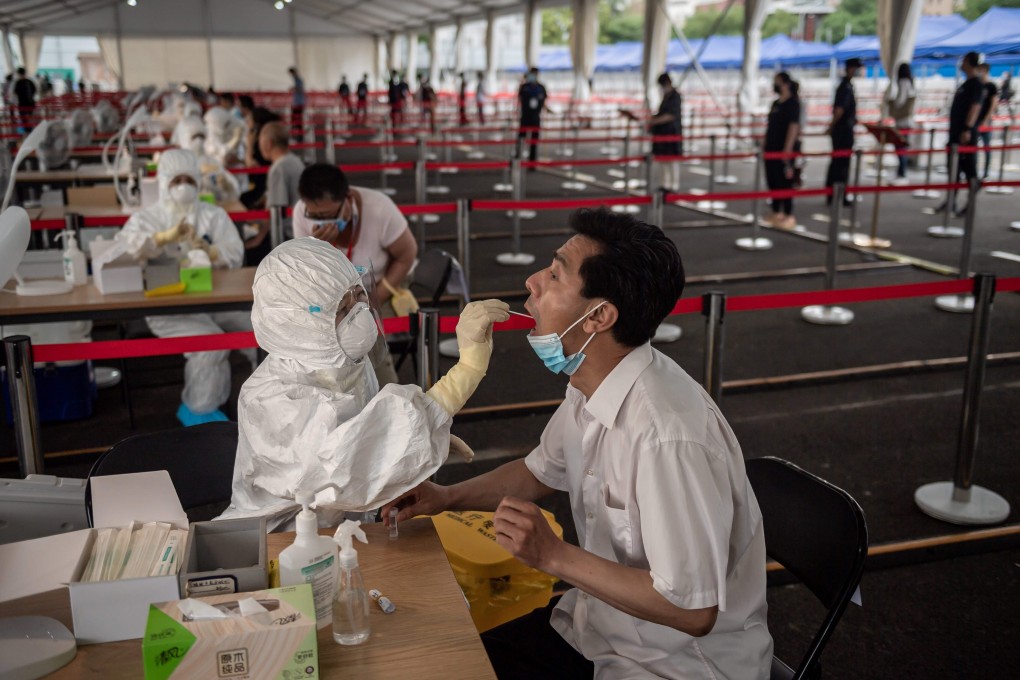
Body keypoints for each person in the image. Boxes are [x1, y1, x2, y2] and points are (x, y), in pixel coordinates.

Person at [383, 207, 772, 679]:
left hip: (670, 665)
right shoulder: (592, 382)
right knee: (448, 664)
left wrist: (552, 555)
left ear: (598, 316)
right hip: (593, 627)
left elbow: (692, 611)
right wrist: (445, 498)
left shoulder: (667, 436)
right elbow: (539, 470)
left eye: (554, 274)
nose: (532, 281)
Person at [217, 238, 509, 531]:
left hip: (345, 527)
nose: (359, 313)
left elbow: (368, 434)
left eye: (358, 295)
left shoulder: (343, 361)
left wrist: (417, 439)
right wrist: (466, 372)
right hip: (281, 539)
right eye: (342, 310)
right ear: (299, 325)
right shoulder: (273, 399)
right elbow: (343, 470)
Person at [114, 149, 250, 427]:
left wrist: (211, 252)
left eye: (189, 179)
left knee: (261, 328)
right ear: (164, 183)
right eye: (177, 181)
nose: (184, 186)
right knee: (210, 344)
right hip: (168, 308)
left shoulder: (213, 216)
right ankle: (198, 412)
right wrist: (162, 238)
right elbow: (125, 249)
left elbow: (235, 252)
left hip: (217, 302)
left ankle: (263, 401)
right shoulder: (147, 219)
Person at [292, 164, 417, 386]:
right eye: (316, 216)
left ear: (348, 200)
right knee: (316, 337)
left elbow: (407, 255)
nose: (322, 221)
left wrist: (375, 298)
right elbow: (308, 272)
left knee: (365, 337)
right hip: (334, 291)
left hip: (381, 285)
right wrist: (321, 250)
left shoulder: (379, 208)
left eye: (329, 215)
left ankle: (385, 396)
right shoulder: (301, 213)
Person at [936, 51, 985, 217]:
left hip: (965, 135)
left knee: (969, 170)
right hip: (956, 134)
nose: (961, 64)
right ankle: (951, 201)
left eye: (964, 61)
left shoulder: (976, 84)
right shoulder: (967, 84)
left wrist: (966, 129)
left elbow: (975, 107)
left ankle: (969, 204)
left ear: (969, 62)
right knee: (953, 170)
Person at [173, 114, 241, 204]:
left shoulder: (211, 162)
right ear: (183, 139)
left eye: (201, 136)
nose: (198, 141)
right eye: (194, 137)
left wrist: (228, 186)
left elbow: (232, 193)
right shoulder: (175, 164)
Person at [764, 72, 802, 229]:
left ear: (785, 84)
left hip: (784, 149)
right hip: (771, 148)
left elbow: (793, 127)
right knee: (772, 180)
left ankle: (788, 213)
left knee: (785, 182)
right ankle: (775, 211)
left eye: (777, 82)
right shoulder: (776, 103)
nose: (775, 85)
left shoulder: (793, 103)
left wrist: (787, 149)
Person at [825, 57, 861, 206]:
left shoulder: (846, 86)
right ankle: (837, 195)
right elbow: (839, 110)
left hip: (843, 129)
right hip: (843, 131)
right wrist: (832, 126)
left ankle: (834, 194)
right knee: (840, 164)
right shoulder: (845, 87)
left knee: (838, 163)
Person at [646, 72, 684, 192]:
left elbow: (671, 115)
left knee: (672, 161)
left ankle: (673, 185)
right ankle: (664, 184)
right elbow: (663, 113)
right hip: (663, 134)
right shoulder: (666, 96)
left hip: (671, 133)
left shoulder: (675, 96)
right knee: (662, 160)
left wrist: (655, 121)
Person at [241, 106, 282, 209]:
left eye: (249, 119)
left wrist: (249, 144)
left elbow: (251, 165)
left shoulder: (259, 139)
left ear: (255, 122)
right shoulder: (260, 135)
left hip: (263, 187)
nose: (246, 121)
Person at [889, 63, 916, 184]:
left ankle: (902, 174)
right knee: (902, 148)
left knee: (900, 149)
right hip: (908, 121)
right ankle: (901, 173)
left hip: (902, 122)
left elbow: (900, 101)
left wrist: (891, 102)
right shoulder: (911, 82)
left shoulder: (903, 83)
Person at [518, 67, 550, 163]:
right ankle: (518, 158)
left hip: (536, 117)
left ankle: (532, 161)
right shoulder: (524, 87)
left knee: (534, 141)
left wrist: (548, 110)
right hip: (525, 117)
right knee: (521, 139)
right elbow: (519, 100)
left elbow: (544, 101)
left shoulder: (541, 88)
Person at [976, 63, 999, 180]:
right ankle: (973, 172)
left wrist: (986, 120)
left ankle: (986, 173)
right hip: (976, 121)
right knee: (972, 147)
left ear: (985, 70)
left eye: (980, 70)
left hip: (986, 121)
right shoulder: (977, 85)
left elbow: (993, 104)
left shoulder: (991, 86)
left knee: (986, 147)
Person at [13, 68, 37, 133]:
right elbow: (34, 90)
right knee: (30, 117)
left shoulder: (18, 82)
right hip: (30, 103)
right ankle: (31, 130)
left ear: (18, 74)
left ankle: (27, 131)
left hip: (22, 104)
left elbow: (15, 93)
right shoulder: (29, 81)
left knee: (24, 119)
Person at [289, 66, 306, 140]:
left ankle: (299, 136)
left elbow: (300, 89)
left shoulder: (298, 80)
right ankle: (298, 136)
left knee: (297, 119)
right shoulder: (297, 80)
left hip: (299, 103)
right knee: (296, 119)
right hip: (298, 103)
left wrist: (294, 88)